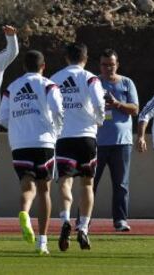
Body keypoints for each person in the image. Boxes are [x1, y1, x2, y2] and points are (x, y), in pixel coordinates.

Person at [0, 50, 63, 254]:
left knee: (27, 185)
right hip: (44, 142)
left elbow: (2, 118)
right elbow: (58, 110)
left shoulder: (12, 87)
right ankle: (42, 241)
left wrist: (18, 127)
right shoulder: (49, 85)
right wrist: (57, 130)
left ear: (24, 67)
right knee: (44, 190)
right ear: (43, 66)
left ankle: (24, 213)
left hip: (20, 143)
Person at [50, 43, 105, 251]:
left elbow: (50, 107)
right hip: (86, 136)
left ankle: (65, 220)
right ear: (85, 57)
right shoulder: (90, 78)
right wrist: (99, 120)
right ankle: (83, 227)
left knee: (64, 182)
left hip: (64, 137)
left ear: (66, 58)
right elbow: (99, 102)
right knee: (87, 184)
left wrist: (57, 127)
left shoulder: (55, 79)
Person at [93, 49, 139, 232]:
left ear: (117, 64)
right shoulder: (93, 83)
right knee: (91, 183)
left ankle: (120, 221)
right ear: (100, 65)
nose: (108, 68)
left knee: (121, 184)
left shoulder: (127, 83)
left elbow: (135, 109)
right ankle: (83, 220)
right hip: (97, 142)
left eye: (111, 64)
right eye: (104, 64)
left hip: (122, 143)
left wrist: (117, 104)